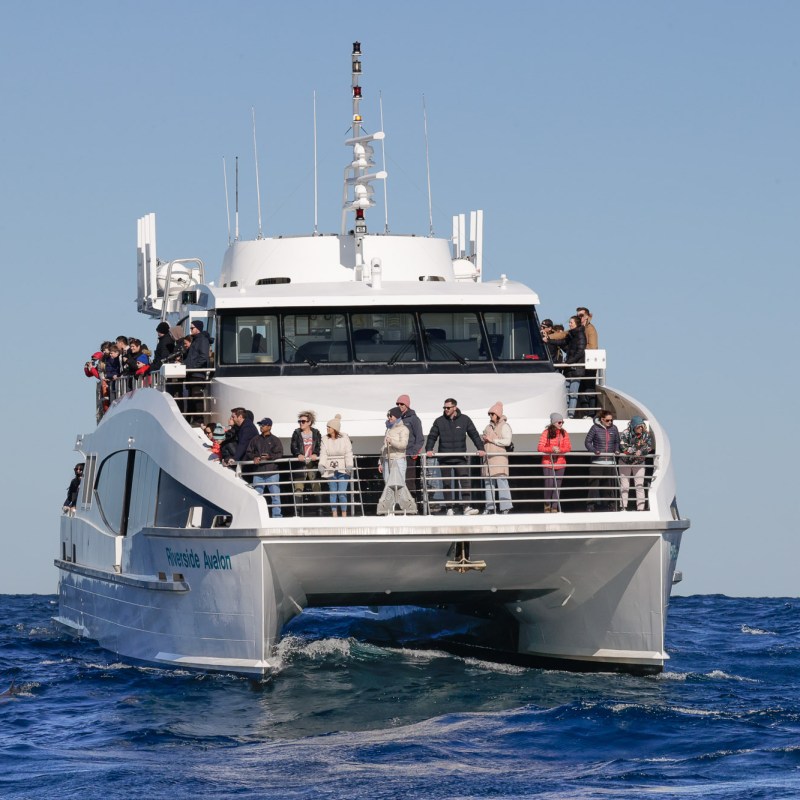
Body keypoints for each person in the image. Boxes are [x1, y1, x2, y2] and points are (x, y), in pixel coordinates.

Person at [425, 398, 485, 515]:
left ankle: (466, 507)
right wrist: (429, 449)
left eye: (448, 408)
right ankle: (449, 508)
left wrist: (481, 448)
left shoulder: (465, 419)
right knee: (447, 484)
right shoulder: (439, 421)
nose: (446, 409)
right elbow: (432, 436)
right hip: (444, 458)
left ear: (455, 408)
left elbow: (474, 434)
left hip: (460, 458)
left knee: (465, 482)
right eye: (444, 408)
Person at [377, 407, 416, 515]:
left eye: (391, 416)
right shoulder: (388, 429)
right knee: (387, 484)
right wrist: (380, 461)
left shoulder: (404, 429)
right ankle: (390, 510)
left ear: (397, 416)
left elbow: (403, 445)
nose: (389, 418)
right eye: (388, 416)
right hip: (387, 459)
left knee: (399, 484)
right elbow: (384, 447)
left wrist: (391, 441)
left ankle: (403, 509)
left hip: (398, 459)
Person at [545, 316, 586, 418]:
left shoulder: (581, 335)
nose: (569, 324)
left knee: (573, 392)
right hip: (569, 368)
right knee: (566, 392)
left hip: (576, 368)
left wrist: (568, 362)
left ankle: (570, 415)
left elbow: (580, 352)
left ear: (576, 324)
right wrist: (549, 340)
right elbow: (562, 342)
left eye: (571, 322)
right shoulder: (571, 334)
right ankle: (566, 414)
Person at [246, 417, 285, 518]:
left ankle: (277, 517)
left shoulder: (275, 440)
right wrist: (254, 457)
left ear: (269, 427)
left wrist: (269, 457)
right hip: (258, 472)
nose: (261, 427)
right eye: (260, 425)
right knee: (257, 497)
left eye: (263, 425)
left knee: (275, 496)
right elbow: (248, 452)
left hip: (272, 472)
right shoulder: (255, 439)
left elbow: (280, 453)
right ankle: (256, 517)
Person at [584, 409, 621, 511]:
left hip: (610, 462)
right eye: (608, 420)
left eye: (611, 420)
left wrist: (617, 450)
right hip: (597, 462)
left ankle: (610, 505)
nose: (610, 422)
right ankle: (590, 506)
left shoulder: (614, 428)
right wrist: (594, 450)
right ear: (602, 419)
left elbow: (617, 442)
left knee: (608, 486)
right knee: (593, 485)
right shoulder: (594, 428)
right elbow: (587, 442)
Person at [318, 414, 354, 517]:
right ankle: (334, 514)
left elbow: (348, 452)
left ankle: (344, 514)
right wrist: (321, 464)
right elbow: (323, 453)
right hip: (330, 468)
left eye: (329, 427)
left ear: (335, 428)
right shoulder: (325, 439)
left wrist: (349, 465)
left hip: (343, 469)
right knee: (333, 492)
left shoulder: (345, 437)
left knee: (342, 492)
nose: (327, 428)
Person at [481, 401, 513, 514]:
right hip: (488, 459)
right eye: (489, 414)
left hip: (499, 459)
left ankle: (505, 507)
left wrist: (492, 440)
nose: (490, 416)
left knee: (502, 482)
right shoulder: (488, 427)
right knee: (488, 484)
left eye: (492, 414)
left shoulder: (505, 426)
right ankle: (490, 507)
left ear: (498, 415)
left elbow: (507, 441)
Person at [538, 412, 571, 513]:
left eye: (562, 422)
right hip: (548, 462)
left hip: (560, 463)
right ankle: (547, 504)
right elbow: (540, 447)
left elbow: (568, 447)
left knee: (557, 487)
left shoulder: (564, 433)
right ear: (554, 422)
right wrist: (551, 449)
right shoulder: (546, 432)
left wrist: (559, 450)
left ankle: (554, 507)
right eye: (559, 422)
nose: (561, 424)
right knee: (549, 485)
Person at [290, 410, 322, 516]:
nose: (301, 423)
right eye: (299, 421)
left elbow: (319, 446)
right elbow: (293, 446)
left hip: (312, 463)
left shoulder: (316, 433)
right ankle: (297, 512)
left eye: (303, 421)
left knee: (316, 486)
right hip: (300, 464)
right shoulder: (296, 433)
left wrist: (315, 453)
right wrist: (298, 454)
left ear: (309, 422)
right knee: (298, 487)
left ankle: (320, 511)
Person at [619, 415, 654, 511]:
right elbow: (623, 446)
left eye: (642, 426)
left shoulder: (646, 435)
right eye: (639, 427)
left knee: (639, 485)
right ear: (634, 426)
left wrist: (641, 452)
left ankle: (640, 508)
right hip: (625, 462)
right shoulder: (625, 433)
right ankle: (623, 506)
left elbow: (649, 447)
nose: (641, 429)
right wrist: (634, 451)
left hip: (639, 463)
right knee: (625, 486)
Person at [395, 394, 423, 501]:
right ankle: (401, 504)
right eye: (398, 404)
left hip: (410, 456)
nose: (399, 406)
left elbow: (420, 438)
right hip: (398, 455)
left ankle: (413, 505)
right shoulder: (397, 419)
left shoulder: (414, 419)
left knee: (411, 481)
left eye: (402, 404)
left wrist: (414, 453)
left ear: (407, 405)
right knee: (399, 480)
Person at [184, 320, 211, 422]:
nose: (190, 330)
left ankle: (199, 420)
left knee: (196, 397)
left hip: (197, 374)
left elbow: (204, 356)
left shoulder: (202, 340)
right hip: (192, 373)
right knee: (192, 398)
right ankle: (192, 419)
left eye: (192, 328)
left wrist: (193, 367)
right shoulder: (195, 340)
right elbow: (192, 357)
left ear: (198, 328)